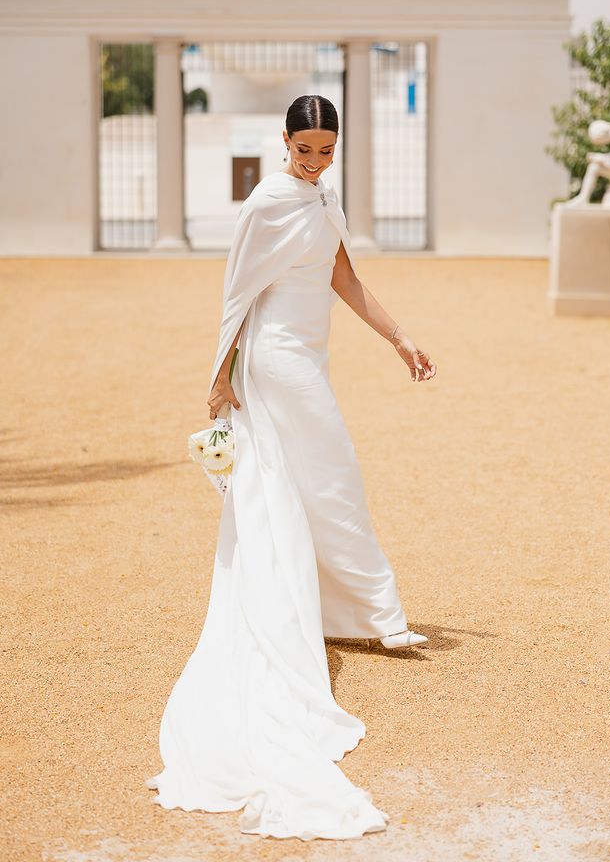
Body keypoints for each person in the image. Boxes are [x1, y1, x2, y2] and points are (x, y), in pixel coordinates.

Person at [145, 94, 437, 841]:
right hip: (276, 361)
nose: (313, 162)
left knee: (311, 485)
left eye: (325, 151)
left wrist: (400, 338)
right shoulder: (270, 200)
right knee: (336, 476)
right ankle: (379, 615)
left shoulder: (319, 198)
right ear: (283, 142)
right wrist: (220, 375)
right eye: (303, 150)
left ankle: (349, 611)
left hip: (309, 354)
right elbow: (237, 291)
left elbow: (344, 280)